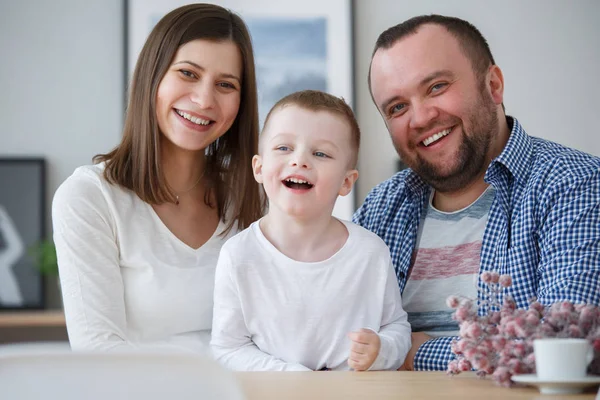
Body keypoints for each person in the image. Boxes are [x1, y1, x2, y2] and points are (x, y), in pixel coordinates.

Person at [355, 14, 600, 371]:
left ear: (493, 85)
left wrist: (413, 353)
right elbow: (322, 332)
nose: (420, 118)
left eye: (436, 86)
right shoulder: (379, 210)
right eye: (397, 107)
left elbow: (569, 351)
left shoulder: (575, 185)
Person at [52, 4, 263, 352]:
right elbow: (98, 353)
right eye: (188, 73)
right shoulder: (89, 198)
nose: (204, 99)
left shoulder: (255, 196)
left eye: (225, 84)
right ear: (152, 76)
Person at [210, 90, 411, 371]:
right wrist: (292, 377)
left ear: (346, 181)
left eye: (320, 153)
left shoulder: (370, 253)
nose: (300, 160)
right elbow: (228, 349)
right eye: (284, 148)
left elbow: (397, 329)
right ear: (259, 167)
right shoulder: (238, 255)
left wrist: (382, 349)